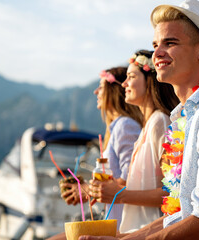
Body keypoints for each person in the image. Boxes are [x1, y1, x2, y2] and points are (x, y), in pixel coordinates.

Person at [79, 0, 199, 239]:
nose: (157, 53)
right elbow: (182, 215)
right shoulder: (186, 117)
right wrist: (124, 238)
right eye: (155, 44)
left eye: (170, 43)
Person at [88, 50, 179, 235]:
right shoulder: (147, 126)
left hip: (150, 231)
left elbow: (172, 194)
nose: (124, 84)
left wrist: (119, 194)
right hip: (135, 230)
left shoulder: (160, 122)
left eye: (131, 77)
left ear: (150, 81)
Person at [50, 67, 142, 240]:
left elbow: (130, 180)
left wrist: (87, 190)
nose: (96, 91)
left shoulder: (125, 126)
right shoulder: (117, 127)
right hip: (115, 220)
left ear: (115, 90)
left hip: (122, 225)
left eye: (101, 86)